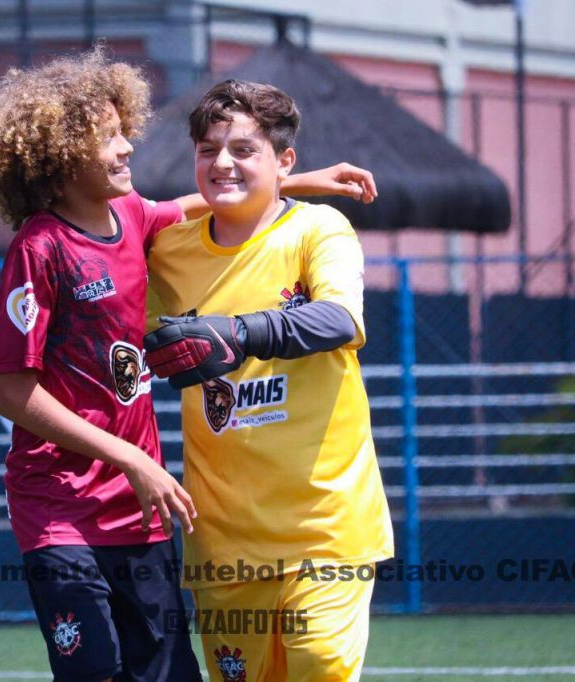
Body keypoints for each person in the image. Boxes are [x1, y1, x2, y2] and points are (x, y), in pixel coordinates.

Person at [0, 49, 377, 682]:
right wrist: (133, 459)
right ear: (58, 154)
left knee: (179, 672)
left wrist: (296, 181)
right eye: (108, 138)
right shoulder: (41, 249)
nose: (129, 146)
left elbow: (201, 203)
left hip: (144, 509)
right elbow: (13, 393)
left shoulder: (133, 219)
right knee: (97, 670)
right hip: (66, 505)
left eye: (123, 128)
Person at [144, 79, 394, 681]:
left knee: (317, 666)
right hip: (223, 538)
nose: (222, 163)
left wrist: (239, 332)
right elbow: (135, 330)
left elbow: (340, 319)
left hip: (326, 526)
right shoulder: (167, 253)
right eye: (208, 150)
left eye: (243, 150)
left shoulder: (319, 230)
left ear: (284, 161)